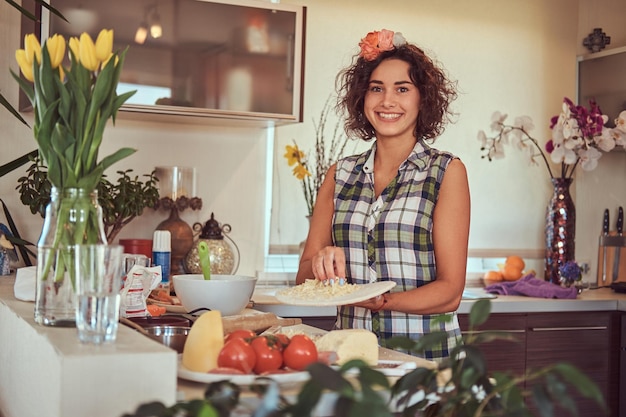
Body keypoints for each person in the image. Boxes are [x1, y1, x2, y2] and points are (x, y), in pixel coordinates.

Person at [295, 29, 470, 361]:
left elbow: (450, 293)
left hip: (427, 358)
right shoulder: (339, 174)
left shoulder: (445, 172)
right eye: (377, 89)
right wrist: (320, 265)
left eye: (402, 89)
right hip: (352, 358)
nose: (387, 101)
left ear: (423, 98)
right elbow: (303, 275)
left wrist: (383, 302)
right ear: (363, 97)